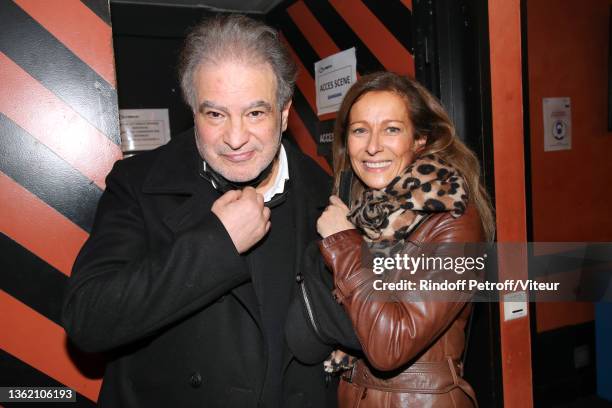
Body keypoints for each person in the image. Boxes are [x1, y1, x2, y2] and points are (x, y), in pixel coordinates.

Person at [61, 14, 338, 407]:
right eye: (216, 114)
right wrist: (217, 242)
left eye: (255, 113)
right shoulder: (140, 184)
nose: (236, 137)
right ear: (193, 112)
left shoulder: (327, 194)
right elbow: (88, 320)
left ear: (285, 112)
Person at [290, 72, 495, 407]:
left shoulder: (454, 221)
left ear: (419, 140)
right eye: (360, 130)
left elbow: (390, 346)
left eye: (391, 129)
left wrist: (343, 242)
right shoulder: (363, 210)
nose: (372, 146)